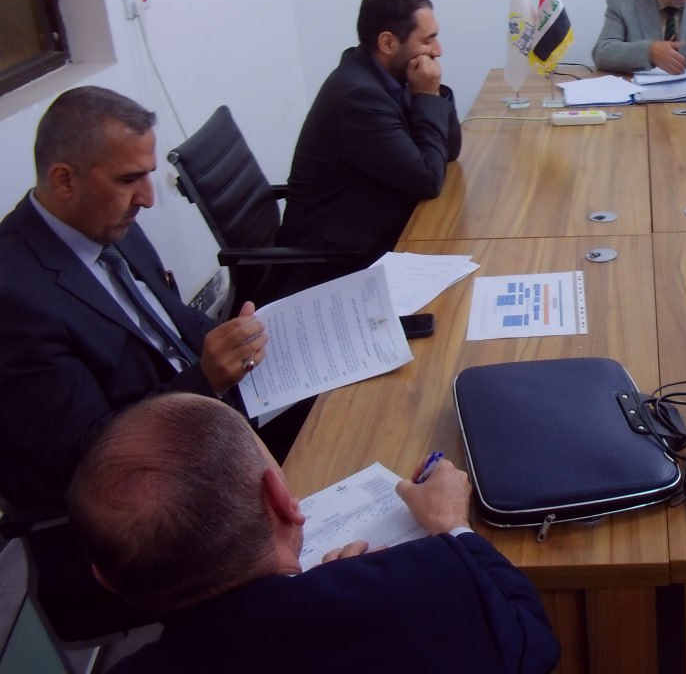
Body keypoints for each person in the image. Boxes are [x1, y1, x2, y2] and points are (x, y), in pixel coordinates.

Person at [0, 86, 268, 636]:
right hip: (149, 505)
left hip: (210, 423)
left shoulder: (108, 223)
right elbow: (89, 457)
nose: (148, 197)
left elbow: (175, 321)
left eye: (148, 174)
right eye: (129, 179)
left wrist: (236, 337)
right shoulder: (14, 296)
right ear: (65, 179)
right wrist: (205, 379)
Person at [67, 393, 561, 674]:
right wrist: (452, 525)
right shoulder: (428, 583)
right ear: (281, 501)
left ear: (105, 579)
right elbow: (533, 639)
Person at [274, 0, 462, 299]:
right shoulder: (358, 97)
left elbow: (448, 151)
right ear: (388, 43)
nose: (438, 50)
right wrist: (427, 95)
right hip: (338, 262)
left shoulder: (384, 75)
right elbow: (429, 179)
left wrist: (431, 91)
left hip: (373, 229)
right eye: (428, 39)